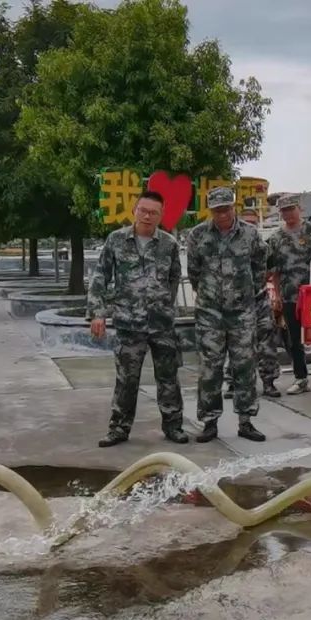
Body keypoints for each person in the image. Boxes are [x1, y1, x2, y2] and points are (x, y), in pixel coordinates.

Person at [87, 191, 188, 447]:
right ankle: (119, 428)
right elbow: (100, 277)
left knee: (168, 378)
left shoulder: (169, 244)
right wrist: (98, 312)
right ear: (134, 209)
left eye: (153, 212)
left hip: (162, 324)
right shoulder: (116, 240)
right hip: (128, 323)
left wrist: (165, 301)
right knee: (126, 380)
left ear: (161, 215)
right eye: (143, 210)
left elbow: (175, 277)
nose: (147, 216)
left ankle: (173, 426)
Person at [184, 186, 268, 442]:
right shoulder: (197, 235)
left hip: (242, 313)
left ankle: (246, 421)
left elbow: (259, 267)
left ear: (234, 207)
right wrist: (211, 295)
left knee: (245, 366)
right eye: (217, 210)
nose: (222, 214)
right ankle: (210, 421)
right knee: (210, 369)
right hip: (210, 314)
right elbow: (194, 271)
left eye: (226, 209)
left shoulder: (251, 234)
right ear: (211, 210)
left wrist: (244, 295)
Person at [267, 194, 311, 396]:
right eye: (284, 210)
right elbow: (275, 271)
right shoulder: (276, 238)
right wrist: (278, 295)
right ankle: (301, 378)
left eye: (291, 209)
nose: (288, 213)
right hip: (290, 294)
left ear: (300, 209)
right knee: (294, 338)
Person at [222, 204, 281, 400]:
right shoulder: (229, 246)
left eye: (254, 224)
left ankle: (269, 382)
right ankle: (232, 383)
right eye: (247, 223)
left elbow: (272, 269)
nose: (251, 227)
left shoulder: (263, 247)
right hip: (236, 304)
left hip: (259, 300)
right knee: (236, 344)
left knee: (266, 343)